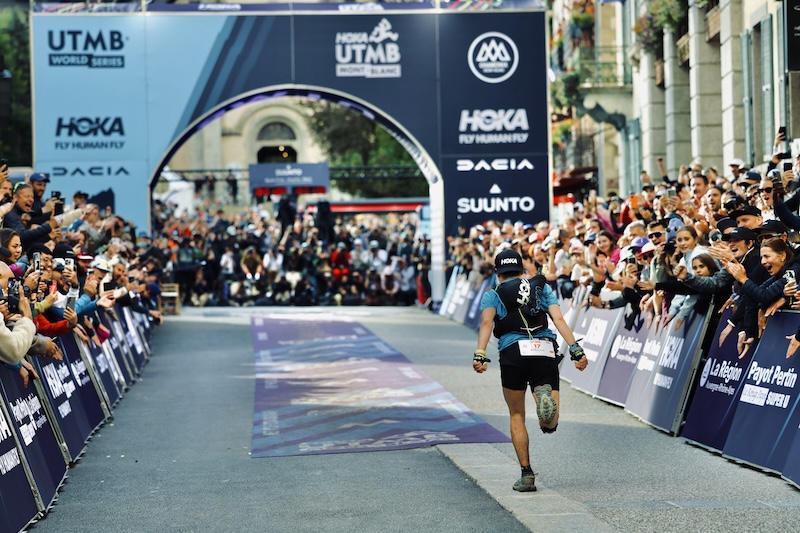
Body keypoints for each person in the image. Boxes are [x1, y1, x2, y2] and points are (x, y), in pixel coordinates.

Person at [472, 249, 588, 493]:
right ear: (522, 269)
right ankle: (543, 398)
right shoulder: (540, 287)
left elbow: (486, 323)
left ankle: (526, 475)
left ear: (497, 273)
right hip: (544, 349)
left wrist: (480, 354)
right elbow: (559, 320)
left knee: (516, 415)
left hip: (512, 351)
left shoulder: (492, 294)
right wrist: (576, 350)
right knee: (550, 424)